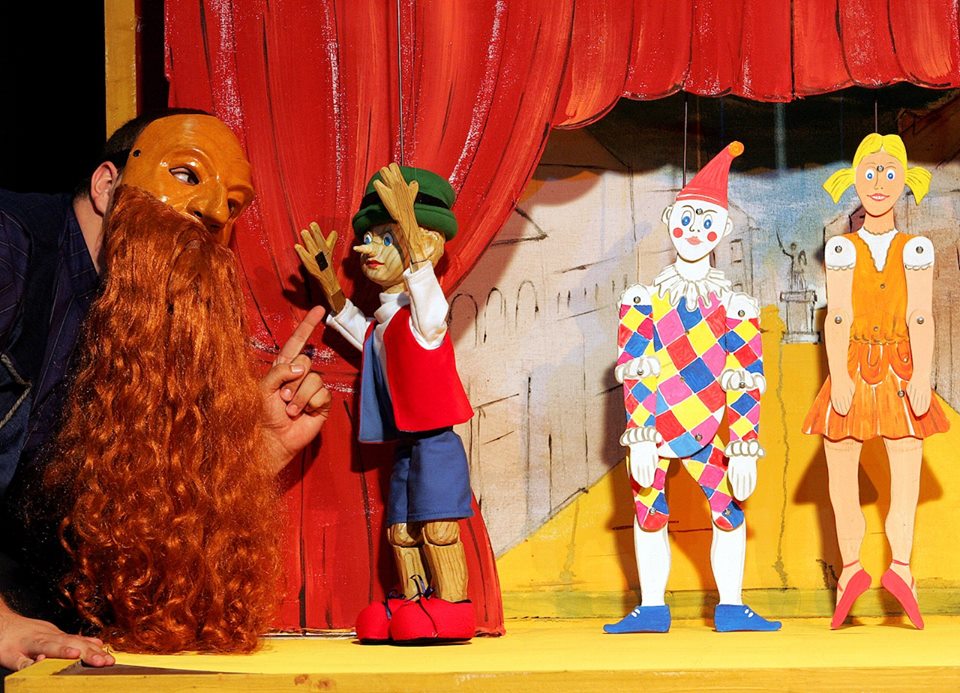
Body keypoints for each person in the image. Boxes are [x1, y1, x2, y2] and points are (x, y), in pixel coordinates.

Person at [0, 111, 330, 669]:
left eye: (234, 204)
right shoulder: (11, 243)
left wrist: (251, 453)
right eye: (185, 174)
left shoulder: (141, 332)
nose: (214, 211)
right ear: (106, 185)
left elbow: (114, 523)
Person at [296, 163, 476, 643]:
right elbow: (360, 329)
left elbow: (430, 302)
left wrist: (411, 233)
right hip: (404, 445)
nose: (367, 249)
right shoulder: (385, 322)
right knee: (401, 531)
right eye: (367, 238)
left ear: (427, 245)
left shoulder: (425, 317)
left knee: (437, 528)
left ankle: (452, 606)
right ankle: (415, 601)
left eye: (386, 238)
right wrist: (328, 283)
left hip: (436, 443)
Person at [606, 142, 780, 634]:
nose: (695, 230)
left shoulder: (736, 307)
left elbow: (746, 377)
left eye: (707, 222)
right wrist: (641, 436)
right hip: (656, 429)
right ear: (670, 220)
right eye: (686, 218)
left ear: (722, 230)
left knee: (728, 512)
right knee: (648, 513)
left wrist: (743, 447)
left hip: (706, 430)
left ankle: (731, 606)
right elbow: (636, 368)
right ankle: (651, 608)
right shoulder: (642, 300)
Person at [803, 133, 948, 630]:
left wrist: (923, 374)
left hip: (900, 368)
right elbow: (838, 315)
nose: (879, 183)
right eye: (869, 173)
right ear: (855, 180)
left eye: (888, 173)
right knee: (841, 469)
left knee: (904, 474)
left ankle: (898, 567)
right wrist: (838, 375)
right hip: (855, 364)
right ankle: (852, 568)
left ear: (905, 180)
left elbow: (920, 314)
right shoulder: (841, 248)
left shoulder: (916, 248)